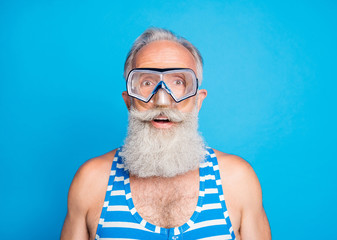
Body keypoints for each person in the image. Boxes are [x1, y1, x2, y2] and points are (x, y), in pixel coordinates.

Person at [61, 28, 271, 240]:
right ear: (128, 101)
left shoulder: (237, 180)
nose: (162, 100)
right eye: (147, 82)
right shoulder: (91, 181)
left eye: (178, 82)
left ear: (198, 101)